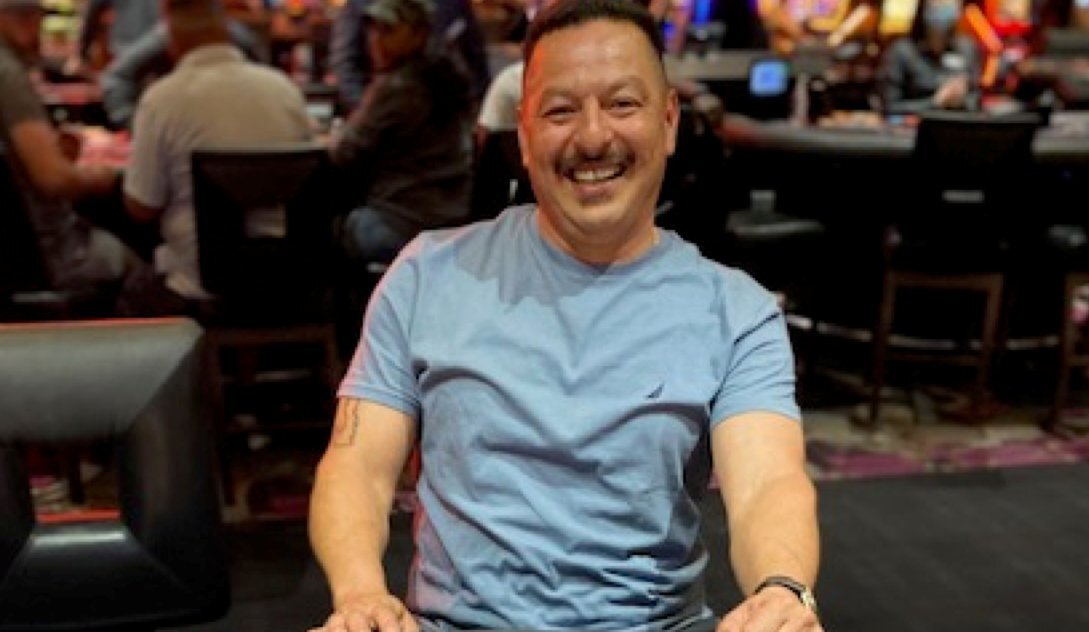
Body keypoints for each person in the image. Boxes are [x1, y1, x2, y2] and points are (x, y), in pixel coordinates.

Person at [309, 0, 822, 630]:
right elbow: (358, 465)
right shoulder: (426, 274)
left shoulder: (736, 311)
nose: (593, 136)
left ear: (668, 122)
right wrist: (360, 594)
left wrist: (782, 588)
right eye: (560, 111)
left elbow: (769, 483)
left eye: (622, 104)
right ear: (524, 134)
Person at [118, 0, 315, 315]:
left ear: (171, 42)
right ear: (229, 33)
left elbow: (141, 207)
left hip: (201, 286)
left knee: (131, 284)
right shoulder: (284, 89)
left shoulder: (161, 99)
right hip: (292, 278)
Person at [0, 0, 133, 294]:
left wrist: (55, 150)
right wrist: (109, 175)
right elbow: (54, 180)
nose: (38, 30)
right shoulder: (4, 72)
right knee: (152, 264)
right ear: (3, 19)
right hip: (39, 254)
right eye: (30, 19)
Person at [329, 0, 473, 264]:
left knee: (319, 220)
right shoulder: (449, 73)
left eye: (387, 30)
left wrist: (338, 130)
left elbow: (344, 153)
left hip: (401, 227)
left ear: (419, 33)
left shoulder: (399, 86)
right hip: (453, 223)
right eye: (373, 29)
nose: (375, 40)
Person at [328, 0, 489, 113]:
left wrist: (472, 109)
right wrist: (367, 109)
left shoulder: (453, 3)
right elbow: (345, 63)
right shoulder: (361, 4)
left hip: (445, 113)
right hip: (386, 109)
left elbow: (476, 59)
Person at [99, 18, 261, 130]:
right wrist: (133, 123)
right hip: (178, 129)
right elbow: (118, 78)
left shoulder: (239, 38)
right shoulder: (163, 39)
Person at [877, 0, 980, 115]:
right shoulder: (901, 50)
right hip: (914, 124)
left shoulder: (966, 48)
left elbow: (975, 99)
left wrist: (962, 100)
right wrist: (935, 102)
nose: (945, 4)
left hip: (957, 122)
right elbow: (890, 106)